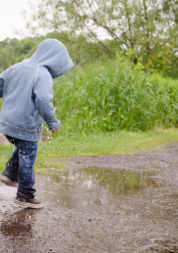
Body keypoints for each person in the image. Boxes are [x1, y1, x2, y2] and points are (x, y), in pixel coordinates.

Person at [0, 38, 73, 209]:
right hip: (26, 125)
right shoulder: (42, 74)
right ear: (54, 60)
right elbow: (43, 100)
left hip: (6, 125)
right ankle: (25, 194)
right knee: (28, 156)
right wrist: (53, 122)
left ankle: (9, 173)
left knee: (22, 147)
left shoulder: (16, 67)